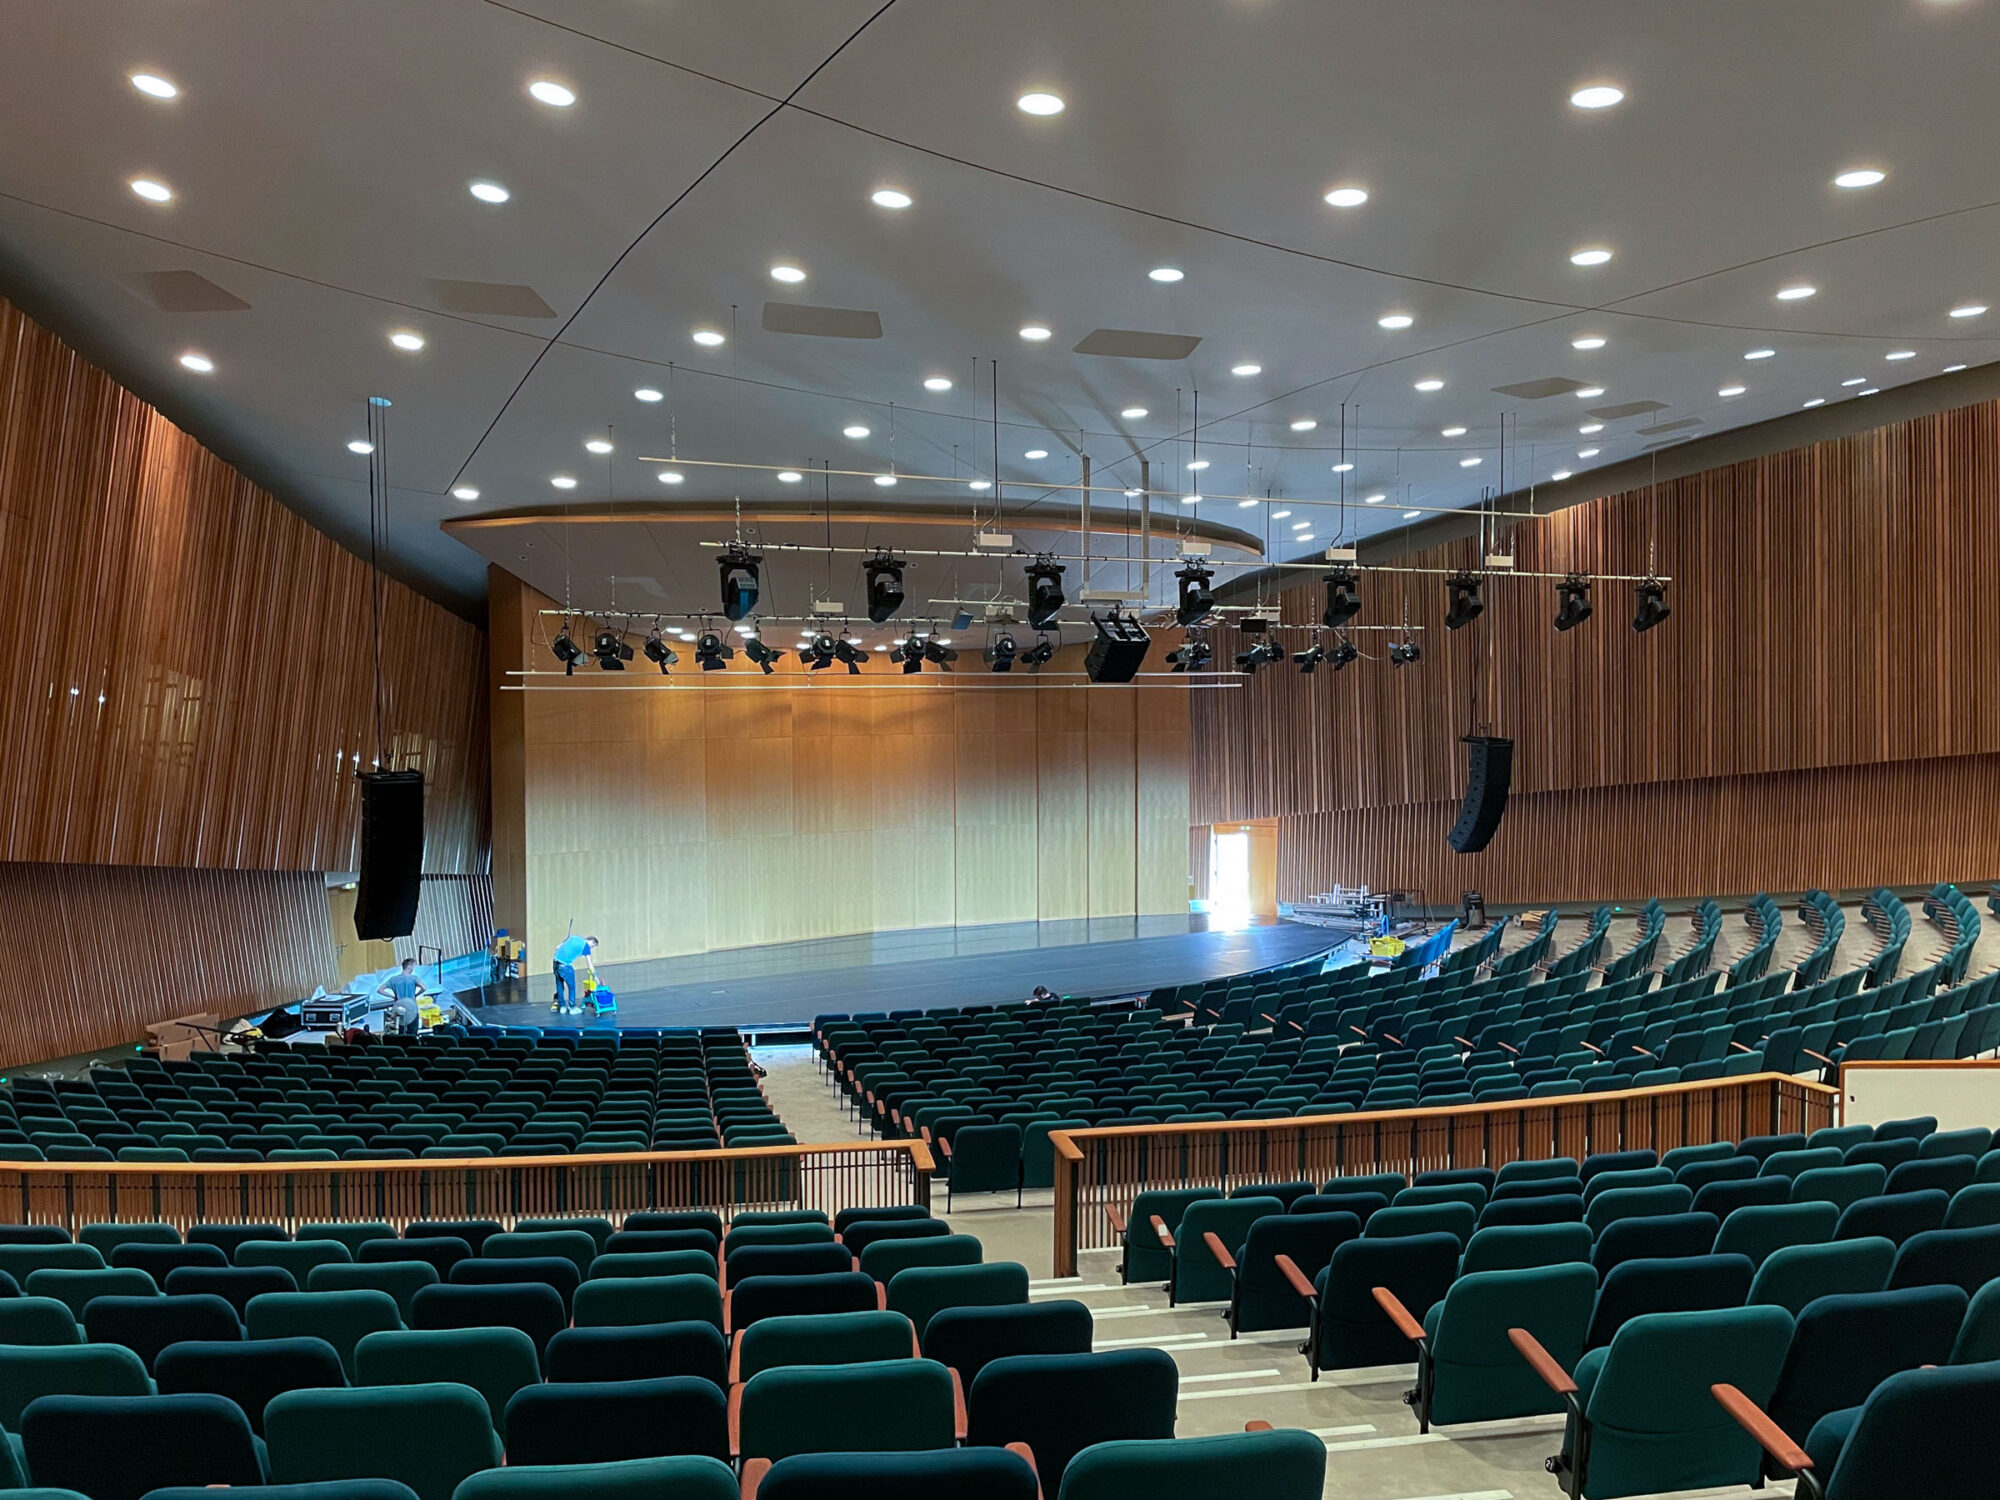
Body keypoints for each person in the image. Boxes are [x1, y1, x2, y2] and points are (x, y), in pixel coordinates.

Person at [375, 957, 427, 1034]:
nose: (413, 969)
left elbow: (380, 990)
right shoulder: (414, 978)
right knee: (412, 1033)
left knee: (401, 1031)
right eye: (413, 966)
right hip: (412, 1009)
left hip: (399, 1009)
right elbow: (424, 988)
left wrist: (392, 996)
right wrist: (415, 995)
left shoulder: (393, 979)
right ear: (409, 966)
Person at [552, 933, 598, 1015]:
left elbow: (557, 947)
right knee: (572, 987)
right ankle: (572, 1007)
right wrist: (595, 976)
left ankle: (562, 1007)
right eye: (593, 946)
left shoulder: (574, 937)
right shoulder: (586, 946)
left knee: (559, 985)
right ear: (592, 942)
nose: (591, 948)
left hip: (555, 962)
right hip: (564, 966)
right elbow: (589, 964)